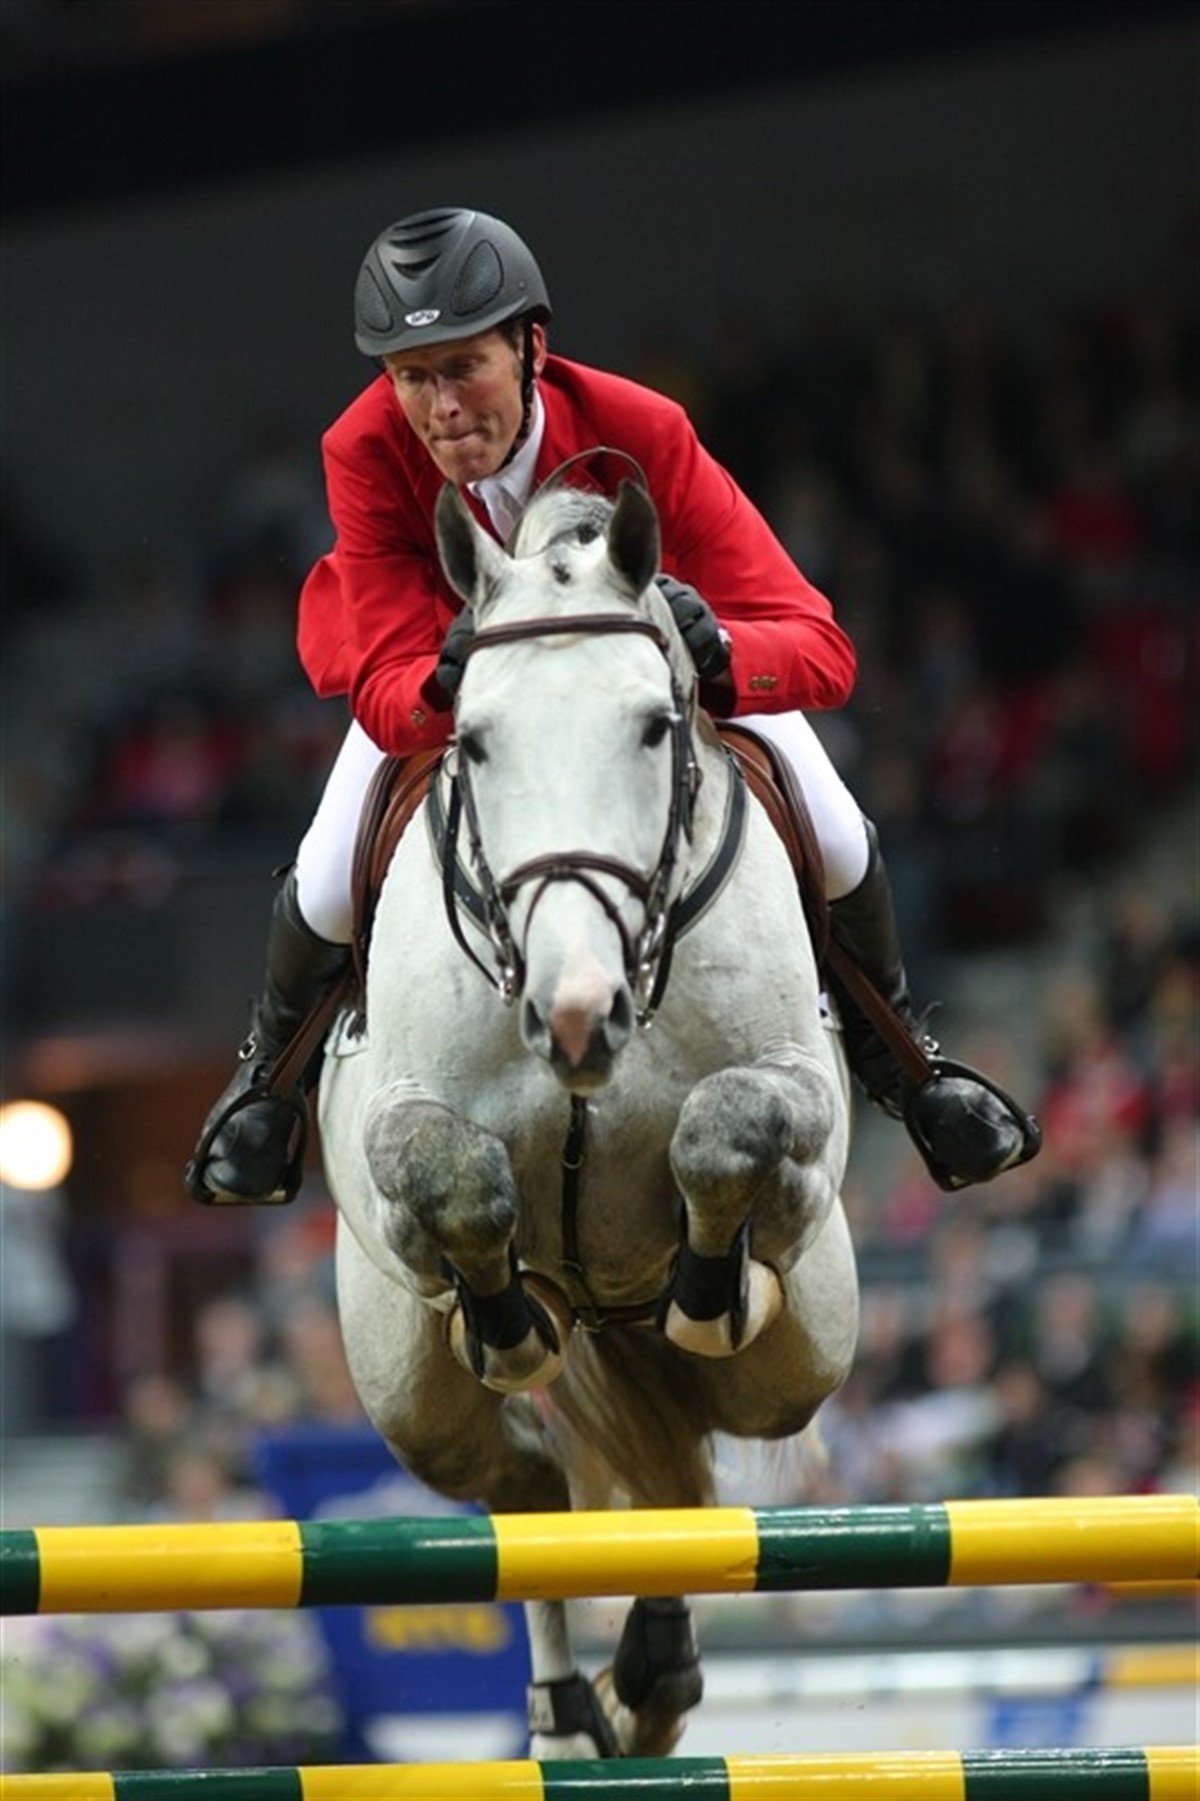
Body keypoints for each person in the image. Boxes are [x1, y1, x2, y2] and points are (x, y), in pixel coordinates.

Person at [185, 206, 1039, 1208]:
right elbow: (380, 683)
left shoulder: (642, 428)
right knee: (330, 878)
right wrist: (446, 682)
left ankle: (906, 1064)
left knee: (840, 835)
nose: (440, 407)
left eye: (463, 367)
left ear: (531, 347)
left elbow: (821, 648)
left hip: (648, 684)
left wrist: (717, 651)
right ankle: (266, 1087)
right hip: (467, 696)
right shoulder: (365, 447)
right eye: (410, 376)